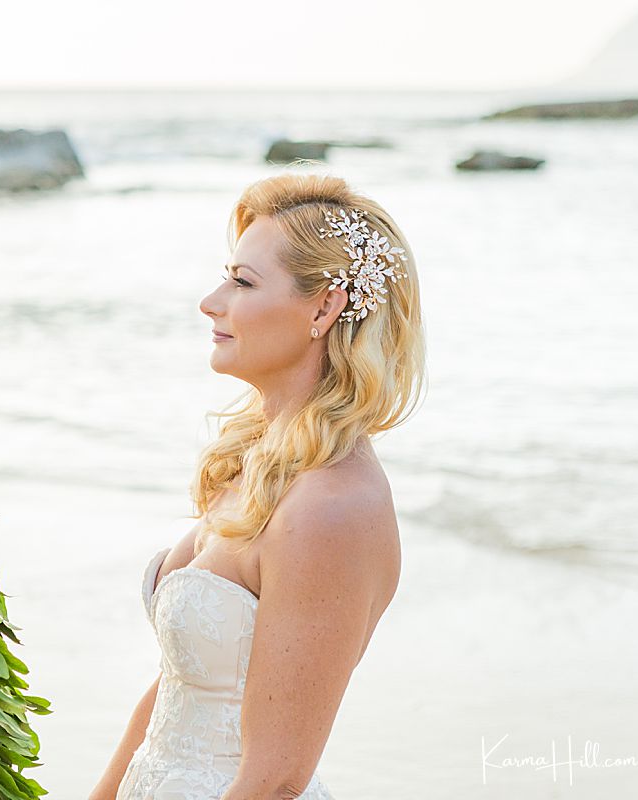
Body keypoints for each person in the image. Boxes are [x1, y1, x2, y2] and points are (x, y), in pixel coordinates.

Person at [91, 174, 426, 800]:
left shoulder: (333, 505)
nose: (210, 301)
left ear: (324, 309)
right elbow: (175, 689)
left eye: (242, 282)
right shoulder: (260, 462)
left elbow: (274, 779)